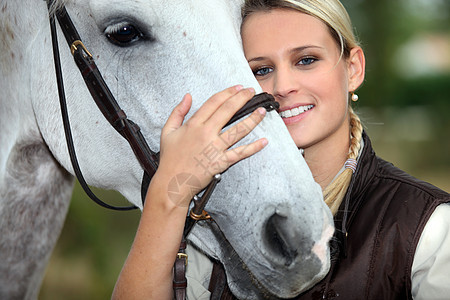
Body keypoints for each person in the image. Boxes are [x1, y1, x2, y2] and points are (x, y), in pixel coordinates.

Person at [113, 0, 450, 299]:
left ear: (353, 69)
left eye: (306, 60)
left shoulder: (429, 229)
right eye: (260, 70)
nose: (283, 87)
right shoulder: (211, 219)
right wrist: (169, 194)